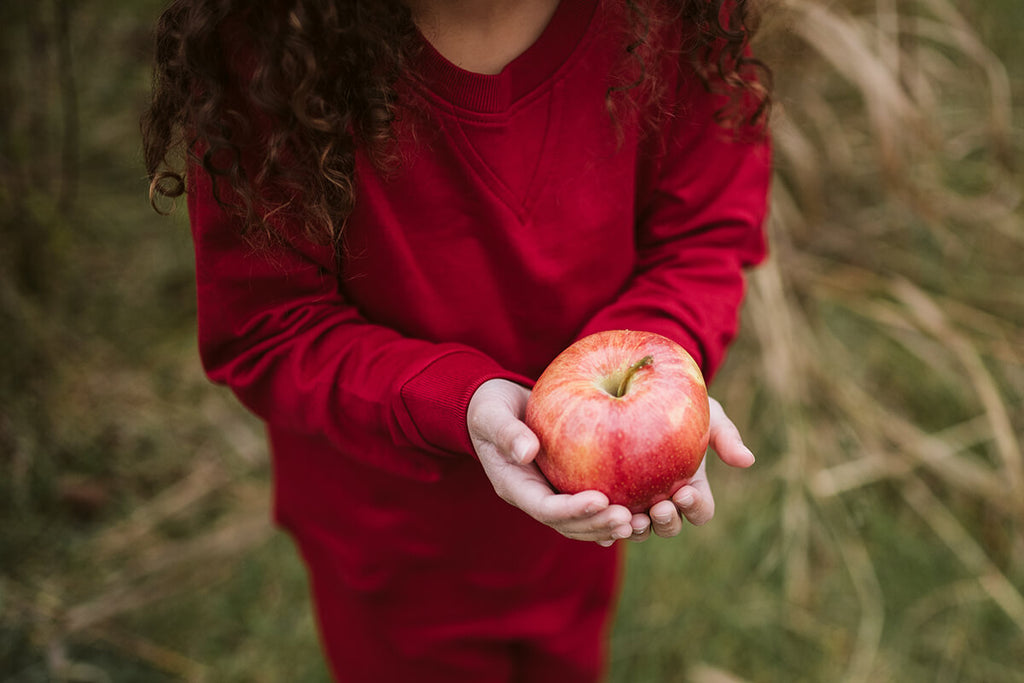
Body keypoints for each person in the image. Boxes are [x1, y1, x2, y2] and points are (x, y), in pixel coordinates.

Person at [142, 0, 771, 681]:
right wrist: (458, 400)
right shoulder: (274, 46)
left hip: (589, 506)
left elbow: (701, 232)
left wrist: (658, 358)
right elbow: (268, 323)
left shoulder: (670, 15)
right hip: (388, 539)